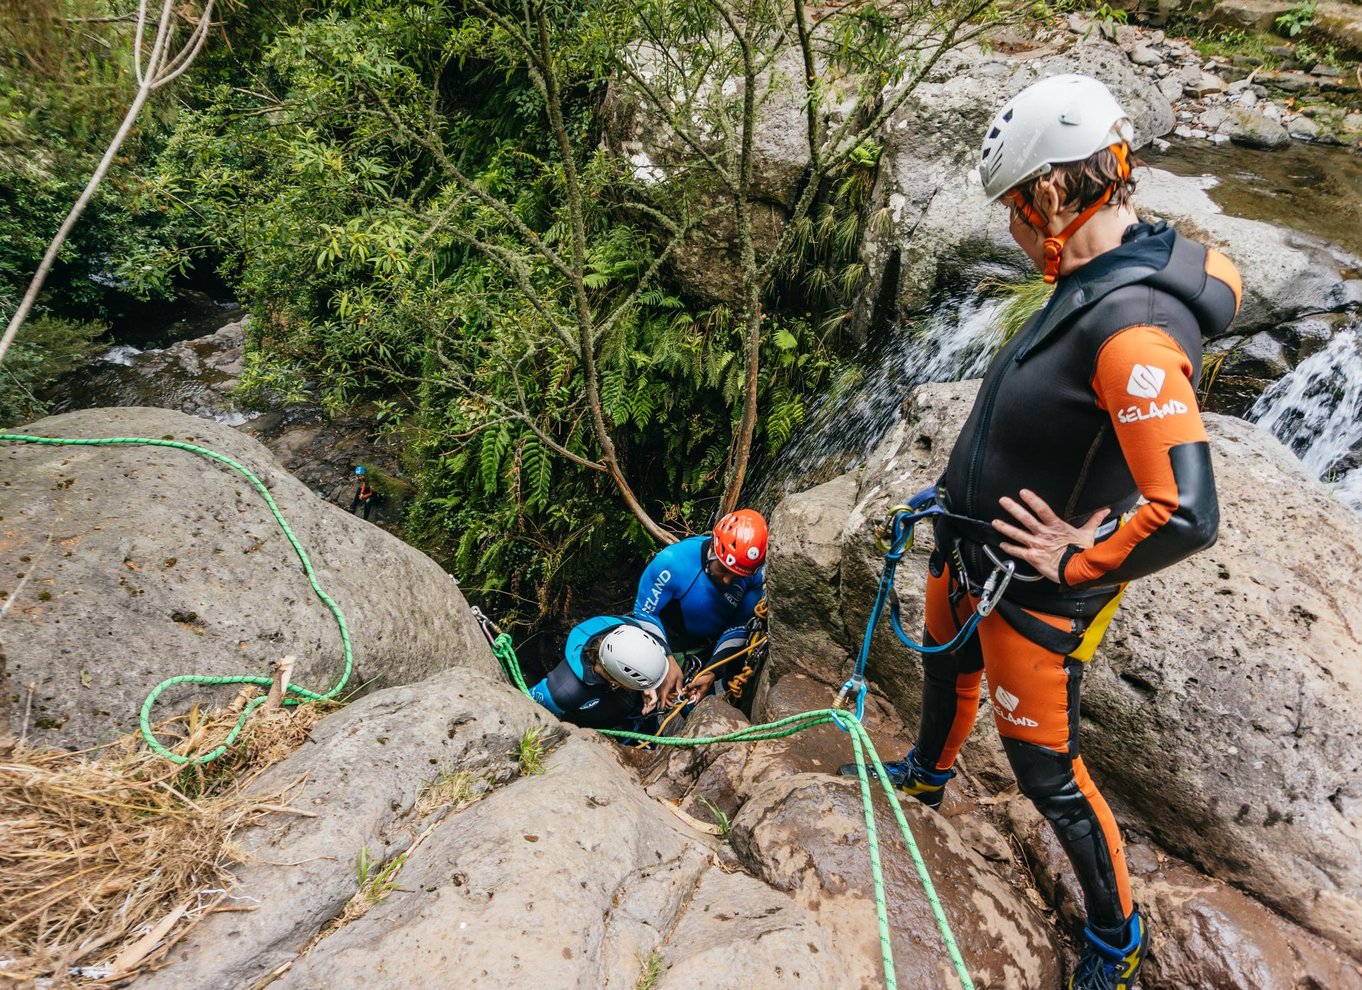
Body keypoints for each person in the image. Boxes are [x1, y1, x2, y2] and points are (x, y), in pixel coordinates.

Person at [840, 75, 1240, 990]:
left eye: (1015, 212)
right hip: (973, 550)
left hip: (1037, 593)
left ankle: (1114, 937)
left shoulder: (1135, 328)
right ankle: (930, 774)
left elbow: (1186, 508)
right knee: (945, 664)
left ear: (1051, 193)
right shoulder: (1102, 270)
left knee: (1047, 774)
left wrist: (1076, 555)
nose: (1015, 234)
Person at [634, 509, 767, 708]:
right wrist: (666, 658)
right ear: (713, 549)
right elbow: (644, 611)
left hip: (706, 648)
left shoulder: (754, 577)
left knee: (698, 707)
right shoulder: (673, 561)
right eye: (723, 569)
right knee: (653, 701)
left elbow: (739, 626)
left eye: (737, 576)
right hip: (668, 639)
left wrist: (712, 671)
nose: (726, 580)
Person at [528, 617, 670, 731]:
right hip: (591, 720)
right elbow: (527, 710)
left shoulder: (628, 628)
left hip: (623, 708)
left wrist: (647, 685)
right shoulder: (563, 691)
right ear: (615, 682)